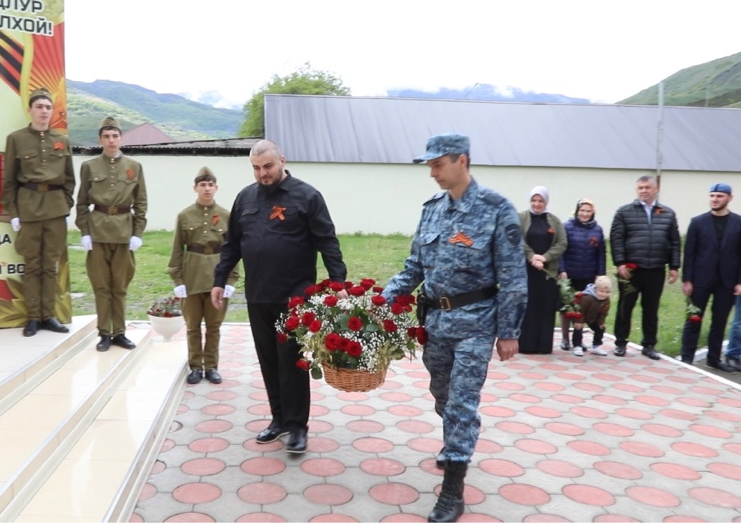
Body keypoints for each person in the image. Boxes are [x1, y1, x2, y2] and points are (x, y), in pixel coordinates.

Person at [380, 133, 527, 523]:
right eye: (429, 165)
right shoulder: (431, 210)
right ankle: (455, 442)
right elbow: (414, 266)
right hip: (436, 322)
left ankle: (452, 492)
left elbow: (513, 276)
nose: (431, 172)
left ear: (462, 161)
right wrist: (384, 299)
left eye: (437, 164)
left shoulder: (497, 209)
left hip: (477, 324)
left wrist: (509, 331)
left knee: (462, 403)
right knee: (442, 395)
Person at [211, 139, 347, 455]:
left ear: (282, 161)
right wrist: (220, 279)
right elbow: (232, 242)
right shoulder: (245, 198)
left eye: (268, 166)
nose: (263, 173)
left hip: (295, 296)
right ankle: (279, 420)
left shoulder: (307, 196)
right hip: (258, 294)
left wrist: (337, 280)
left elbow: (328, 241)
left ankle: (298, 426)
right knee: (269, 360)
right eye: (257, 168)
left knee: (291, 360)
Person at [0, 88, 75, 337]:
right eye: (39, 107)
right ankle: (33, 317)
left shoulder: (62, 141)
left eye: (48, 107)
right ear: (30, 110)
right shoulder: (16, 139)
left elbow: (69, 179)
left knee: (51, 265)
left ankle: (49, 315)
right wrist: (13, 212)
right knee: (32, 264)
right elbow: (9, 179)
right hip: (29, 207)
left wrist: (65, 204)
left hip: (55, 209)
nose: (44, 111)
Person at [75, 116, 148, 352]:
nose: (111, 140)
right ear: (100, 139)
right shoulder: (89, 167)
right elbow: (82, 202)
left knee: (120, 286)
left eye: (115, 136)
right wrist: (85, 231)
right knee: (101, 286)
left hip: (124, 233)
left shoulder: (134, 167)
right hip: (98, 232)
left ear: (121, 138)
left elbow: (141, 202)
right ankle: (104, 332)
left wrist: (138, 232)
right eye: (106, 136)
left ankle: (120, 332)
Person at [167, 167, 239, 385]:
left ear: (216, 188)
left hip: (217, 275)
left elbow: (233, 249)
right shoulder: (184, 215)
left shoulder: (227, 215)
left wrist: (231, 279)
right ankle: (196, 367)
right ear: (195, 188)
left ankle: (212, 366)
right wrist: (177, 280)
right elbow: (177, 248)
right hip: (192, 275)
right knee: (192, 326)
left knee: (214, 326)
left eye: (210, 185)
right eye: (202, 185)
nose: (206, 189)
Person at [610, 175, 680, 360]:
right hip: (631, 270)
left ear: (655, 189)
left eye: (647, 187)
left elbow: (674, 241)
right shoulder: (624, 212)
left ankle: (649, 345)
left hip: (655, 269)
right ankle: (620, 343)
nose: (643, 190)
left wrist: (674, 266)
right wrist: (620, 263)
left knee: (651, 308)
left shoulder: (667, 213)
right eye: (640, 187)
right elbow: (616, 239)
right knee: (625, 307)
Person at [679, 183, 741, 372]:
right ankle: (687, 357)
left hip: (726, 281)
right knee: (693, 319)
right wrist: (687, 280)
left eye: (719, 196)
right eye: (712, 196)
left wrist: (739, 281)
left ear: (729, 198)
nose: (715, 199)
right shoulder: (698, 222)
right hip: (699, 280)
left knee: (719, 321)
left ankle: (713, 359)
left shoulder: (738, 223)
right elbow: (689, 253)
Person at [517, 187, 567, 354]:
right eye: (534, 200)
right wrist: (531, 256)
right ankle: (525, 345)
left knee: (545, 308)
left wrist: (545, 257)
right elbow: (516, 238)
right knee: (528, 307)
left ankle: (543, 345)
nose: (537, 204)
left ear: (546, 202)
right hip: (527, 271)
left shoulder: (554, 220)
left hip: (547, 272)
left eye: (540, 201)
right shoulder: (521, 217)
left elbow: (562, 242)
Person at [557, 198, 606, 351]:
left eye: (588, 211)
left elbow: (601, 254)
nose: (584, 214)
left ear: (593, 213)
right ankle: (565, 339)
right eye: (582, 210)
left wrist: (600, 274)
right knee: (567, 307)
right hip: (570, 274)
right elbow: (561, 251)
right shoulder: (567, 227)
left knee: (583, 308)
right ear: (577, 211)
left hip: (588, 275)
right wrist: (562, 269)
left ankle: (578, 339)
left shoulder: (597, 230)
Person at [569, 276, 612, 357]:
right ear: (596, 289)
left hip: (593, 316)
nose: (604, 294)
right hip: (580, 315)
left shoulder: (606, 300)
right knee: (578, 328)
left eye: (607, 292)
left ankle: (596, 346)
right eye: (601, 291)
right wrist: (579, 321)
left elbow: (603, 313)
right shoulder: (586, 298)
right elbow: (580, 310)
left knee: (601, 328)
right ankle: (577, 345)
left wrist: (601, 322)